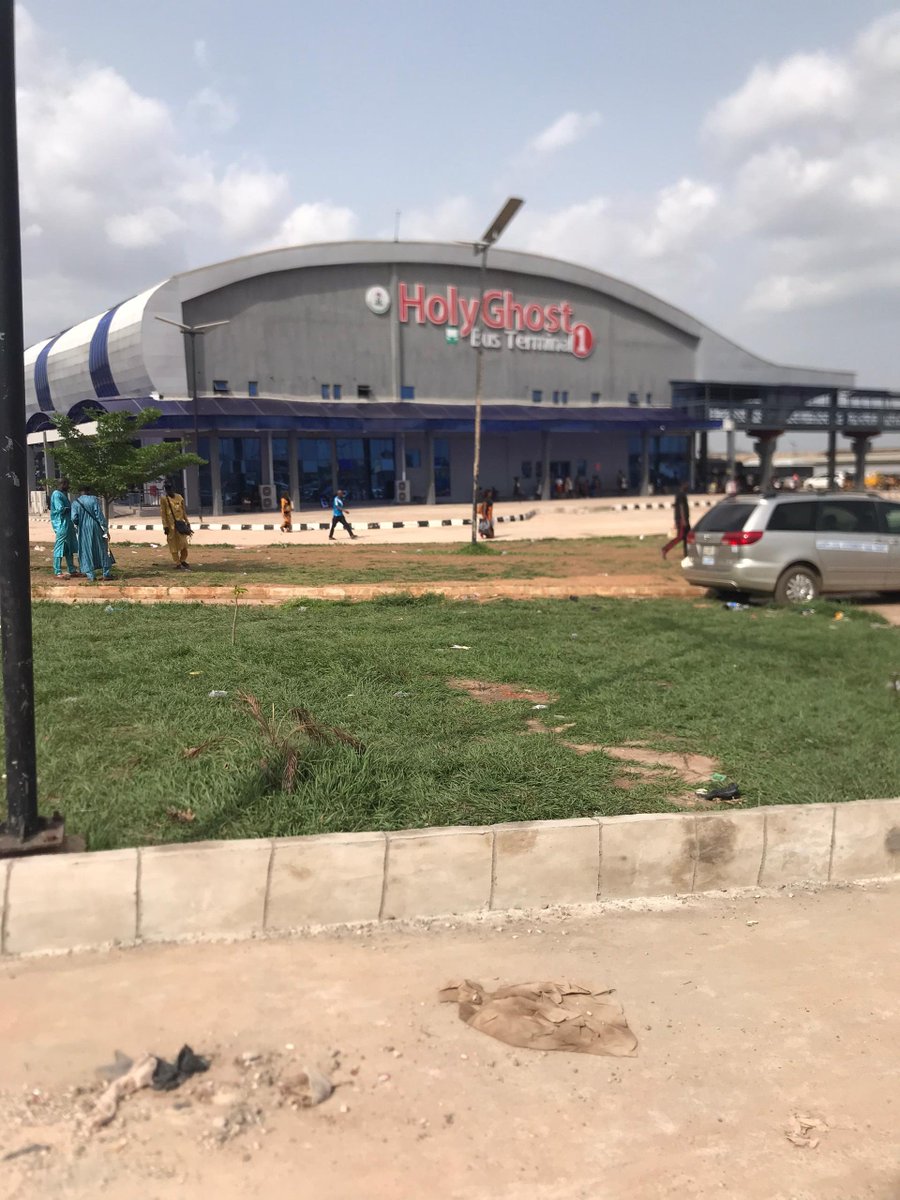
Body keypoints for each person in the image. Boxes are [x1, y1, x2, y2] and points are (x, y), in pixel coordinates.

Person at [71, 486, 113, 581]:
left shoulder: (75, 503)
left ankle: (91, 576)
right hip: (95, 527)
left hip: (83, 528)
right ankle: (106, 574)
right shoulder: (94, 499)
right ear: (88, 491)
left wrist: (78, 523)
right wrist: (105, 529)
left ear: (79, 492)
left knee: (86, 550)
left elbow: (74, 518)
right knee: (102, 548)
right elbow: (99, 515)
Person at [49, 477, 79, 578]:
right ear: (63, 484)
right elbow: (60, 509)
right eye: (67, 484)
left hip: (68, 523)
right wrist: (73, 508)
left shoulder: (63, 494)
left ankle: (71, 569)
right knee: (60, 546)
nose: (68, 486)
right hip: (61, 524)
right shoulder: (56, 494)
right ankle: (57, 570)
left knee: (68, 547)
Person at [160, 481, 191, 570]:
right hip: (170, 527)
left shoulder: (179, 497)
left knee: (184, 544)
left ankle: (182, 560)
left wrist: (187, 522)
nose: (169, 491)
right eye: (167, 489)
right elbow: (163, 514)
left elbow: (183, 511)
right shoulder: (164, 499)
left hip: (180, 526)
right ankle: (177, 563)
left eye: (170, 488)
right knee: (173, 546)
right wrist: (165, 526)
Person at [661, 481, 691, 560]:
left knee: (687, 537)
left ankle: (687, 554)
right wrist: (683, 520)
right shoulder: (681, 495)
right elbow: (681, 507)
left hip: (684, 519)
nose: (688, 486)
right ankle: (665, 549)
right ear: (683, 485)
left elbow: (677, 505)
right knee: (680, 537)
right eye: (687, 484)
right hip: (682, 520)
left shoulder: (680, 494)